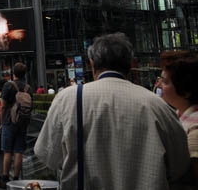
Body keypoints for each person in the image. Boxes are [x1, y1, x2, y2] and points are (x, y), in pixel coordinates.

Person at [35, 33, 190, 190]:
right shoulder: (157, 106)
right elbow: (180, 166)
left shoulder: (68, 99)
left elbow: (48, 156)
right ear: (129, 64)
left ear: (92, 63)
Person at [159, 50, 198, 184]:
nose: (158, 86)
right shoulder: (177, 114)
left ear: (185, 91)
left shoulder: (195, 131)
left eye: (165, 82)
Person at [0, 63, 31, 184]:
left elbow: (2, 106)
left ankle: (5, 177)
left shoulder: (8, 85)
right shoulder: (28, 87)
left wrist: (2, 122)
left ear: (13, 73)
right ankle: (16, 178)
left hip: (9, 121)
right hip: (23, 122)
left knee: (7, 151)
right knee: (18, 151)